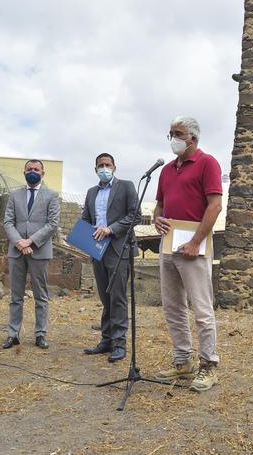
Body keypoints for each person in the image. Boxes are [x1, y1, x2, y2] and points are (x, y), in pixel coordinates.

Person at [152, 116, 223, 392]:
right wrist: (156, 218)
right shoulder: (167, 170)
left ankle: (209, 365)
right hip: (169, 245)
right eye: (170, 133)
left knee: (202, 309)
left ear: (192, 137)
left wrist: (195, 242)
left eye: (178, 133)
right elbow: (159, 206)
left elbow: (214, 206)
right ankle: (183, 361)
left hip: (195, 247)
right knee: (173, 307)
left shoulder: (208, 163)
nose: (173, 138)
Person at [80, 153, 139, 362]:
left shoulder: (126, 187)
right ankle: (106, 340)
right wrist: (87, 236)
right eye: (100, 165)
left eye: (107, 165)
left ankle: (119, 343)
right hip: (97, 249)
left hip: (118, 248)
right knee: (105, 297)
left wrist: (110, 229)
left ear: (114, 167)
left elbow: (135, 216)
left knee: (118, 297)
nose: (104, 168)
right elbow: (86, 218)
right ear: (95, 169)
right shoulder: (90, 193)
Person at [0, 159, 60, 350]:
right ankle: (12, 334)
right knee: (15, 296)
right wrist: (19, 242)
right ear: (24, 172)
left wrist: (30, 241)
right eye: (29, 169)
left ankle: (40, 334)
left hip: (39, 251)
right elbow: (8, 221)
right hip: (17, 252)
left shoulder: (51, 195)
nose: (32, 172)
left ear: (43, 173)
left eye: (36, 169)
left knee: (41, 296)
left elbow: (53, 224)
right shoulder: (14, 194)